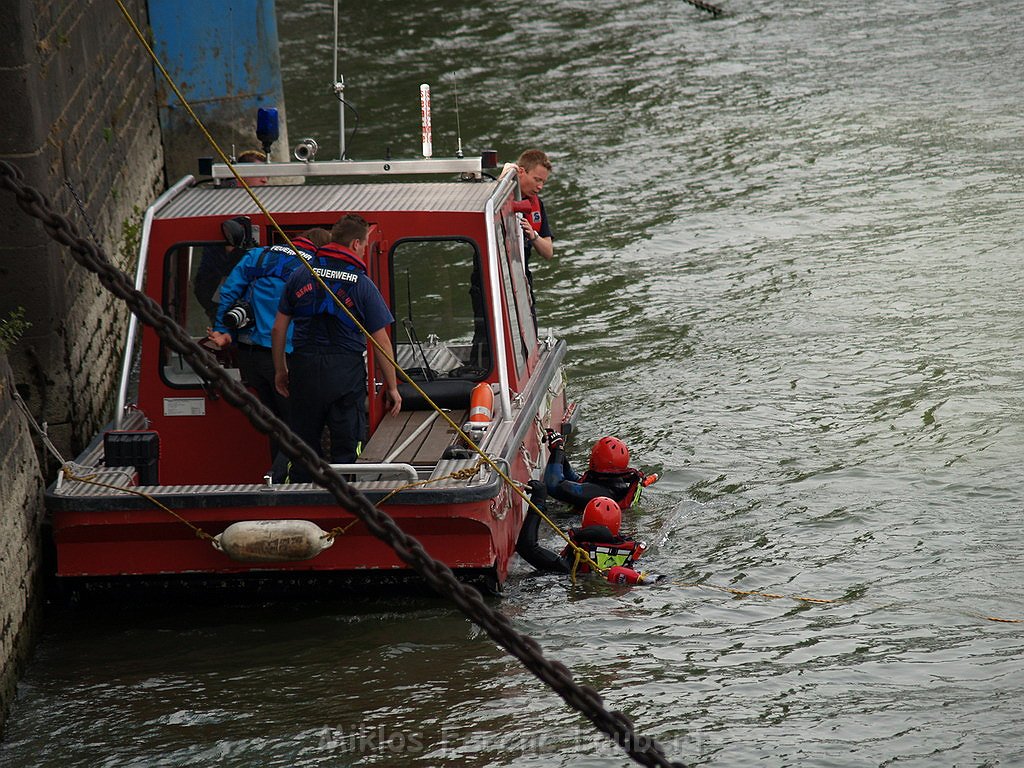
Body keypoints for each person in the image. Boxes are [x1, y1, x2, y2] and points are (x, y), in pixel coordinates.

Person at [271, 213, 402, 482]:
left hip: (304, 369)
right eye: (365, 244)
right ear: (355, 244)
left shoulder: (300, 274)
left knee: (303, 445)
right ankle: (346, 496)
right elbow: (381, 341)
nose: (365, 249)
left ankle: (299, 499)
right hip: (344, 374)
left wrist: (281, 370)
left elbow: (278, 329)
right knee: (347, 446)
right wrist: (392, 387)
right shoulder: (362, 285)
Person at [206, 226, 331, 462]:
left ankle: (279, 474)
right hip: (284, 359)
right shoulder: (314, 265)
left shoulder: (257, 255)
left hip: (250, 358)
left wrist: (223, 331)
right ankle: (293, 481)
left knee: (275, 423)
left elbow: (229, 292)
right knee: (298, 427)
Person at [515, 482, 657, 584]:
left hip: (569, 583)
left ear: (584, 521)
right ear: (618, 524)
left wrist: (539, 501)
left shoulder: (571, 564)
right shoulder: (631, 554)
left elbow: (527, 547)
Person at [193, 151, 269, 320]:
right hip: (220, 294)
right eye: (259, 175)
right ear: (240, 176)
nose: (265, 180)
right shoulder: (226, 210)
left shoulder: (263, 210)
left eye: (267, 176)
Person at [542, 430, 657, 510]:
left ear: (595, 460)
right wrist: (558, 450)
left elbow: (554, 485)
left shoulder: (595, 491)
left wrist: (558, 450)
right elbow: (575, 479)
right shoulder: (615, 482)